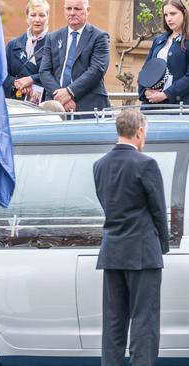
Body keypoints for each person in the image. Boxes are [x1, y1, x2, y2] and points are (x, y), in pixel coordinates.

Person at [93, 109, 169, 366]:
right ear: (138, 132)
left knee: (113, 324)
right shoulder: (146, 164)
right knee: (143, 323)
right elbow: (159, 210)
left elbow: (107, 203)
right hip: (142, 253)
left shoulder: (99, 165)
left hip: (112, 252)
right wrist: (163, 247)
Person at [39, 0, 110, 114]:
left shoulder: (99, 37)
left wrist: (69, 92)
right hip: (55, 106)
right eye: (68, 9)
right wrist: (61, 97)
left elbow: (97, 70)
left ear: (87, 10)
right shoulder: (53, 37)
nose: (72, 13)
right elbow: (44, 71)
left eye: (77, 9)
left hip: (89, 106)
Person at [139, 0, 189, 105]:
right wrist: (146, 91)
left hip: (178, 107)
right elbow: (145, 72)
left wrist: (166, 94)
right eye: (166, 15)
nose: (169, 19)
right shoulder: (158, 40)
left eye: (173, 14)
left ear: (184, 13)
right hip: (151, 105)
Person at [3, 0, 50, 100]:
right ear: (27, 18)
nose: (37, 19)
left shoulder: (55, 44)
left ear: (48, 17)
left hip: (44, 104)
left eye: (42, 15)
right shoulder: (13, 44)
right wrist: (17, 83)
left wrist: (31, 80)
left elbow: (56, 75)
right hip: (15, 102)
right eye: (33, 15)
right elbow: (3, 74)